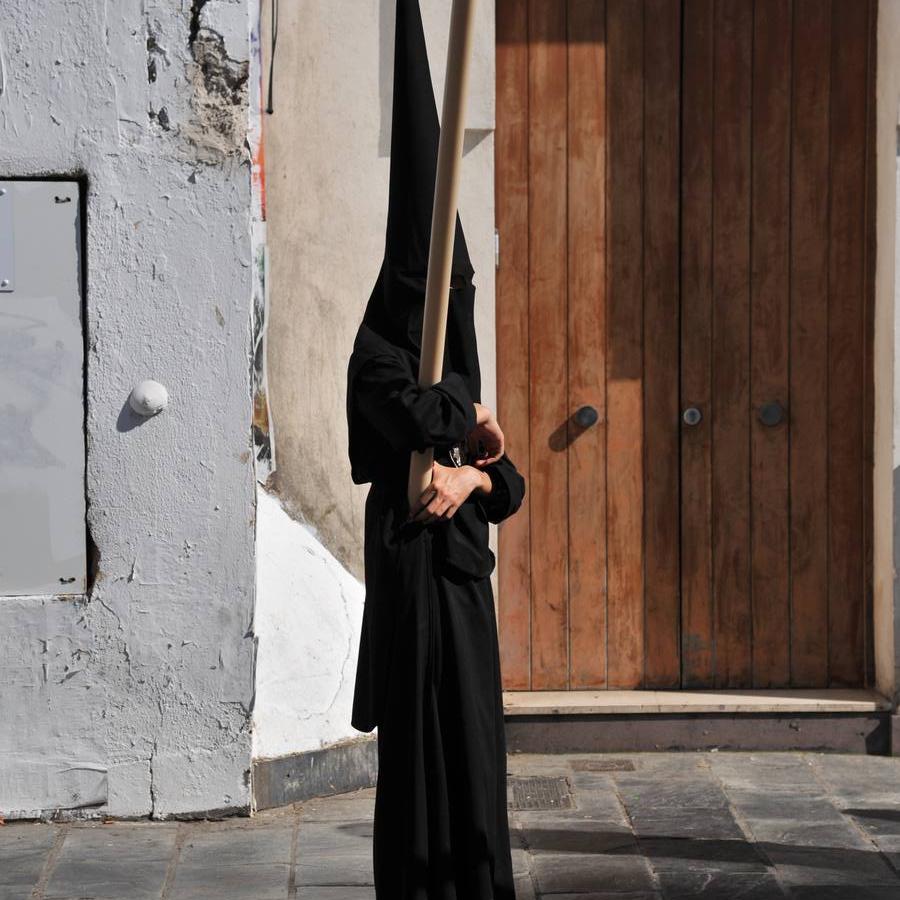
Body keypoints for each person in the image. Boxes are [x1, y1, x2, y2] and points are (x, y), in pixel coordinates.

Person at [345, 2, 526, 896]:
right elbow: (419, 413)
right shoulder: (376, 355)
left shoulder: (455, 360)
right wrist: (467, 429)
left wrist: (471, 478)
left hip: (465, 594)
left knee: (478, 776)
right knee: (418, 785)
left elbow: (510, 481)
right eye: (438, 288)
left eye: (461, 289)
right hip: (412, 592)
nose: (452, 304)